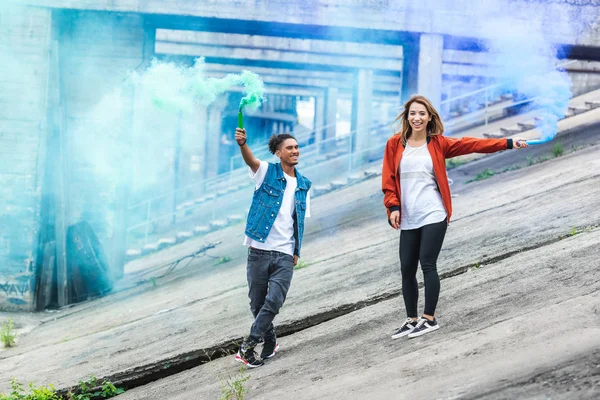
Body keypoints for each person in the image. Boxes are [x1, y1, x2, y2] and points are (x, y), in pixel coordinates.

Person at [381, 95, 527, 339]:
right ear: (407, 117)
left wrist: (509, 142)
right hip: (408, 216)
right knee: (407, 268)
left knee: (427, 264)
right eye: (413, 113)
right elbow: (388, 180)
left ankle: (429, 318)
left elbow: (474, 144)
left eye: (422, 114)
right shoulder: (394, 144)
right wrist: (393, 207)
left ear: (430, 118)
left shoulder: (438, 144)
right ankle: (411, 320)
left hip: (433, 211)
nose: (417, 118)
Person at [234, 127, 312, 368]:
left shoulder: (304, 185)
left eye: (297, 147)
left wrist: (296, 251)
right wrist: (242, 145)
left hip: (285, 254)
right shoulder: (267, 171)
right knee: (257, 303)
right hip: (258, 249)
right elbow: (251, 160)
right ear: (278, 153)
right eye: (290, 148)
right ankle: (270, 339)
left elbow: (299, 221)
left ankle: (248, 346)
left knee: (274, 301)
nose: (295, 151)